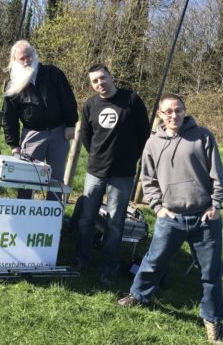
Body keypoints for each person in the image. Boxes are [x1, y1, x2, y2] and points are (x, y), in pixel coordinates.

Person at [118, 93, 223, 345]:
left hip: (204, 219)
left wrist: (216, 204)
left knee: (210, 274)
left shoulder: (202, 136)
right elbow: (148, 179)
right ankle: (138, 295)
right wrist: (157, 207)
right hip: (171, 217)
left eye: (178, 110)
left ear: (184, 111)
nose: (174, 115)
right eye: (168, 111)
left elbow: (217, 175)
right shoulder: (153, 143)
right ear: (160, 114)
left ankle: (213, 320)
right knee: (153, 261)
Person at [73, 64, 151, 283]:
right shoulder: (90, 104)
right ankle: (81, 258)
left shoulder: (131, 100)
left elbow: (144, 133)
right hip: (95, 171)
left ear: (111, 76)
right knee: (87, 218)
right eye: (95, 81)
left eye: (102, 78)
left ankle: (108, 266)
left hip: (123, 173)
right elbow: (86, 136)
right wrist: (97, 155)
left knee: (115, 223)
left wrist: (130, 157)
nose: (100, 83)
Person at [2, 40, 78, 199]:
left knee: (56, 179)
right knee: (26, 177)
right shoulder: (12, 85)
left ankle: (52, 216)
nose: (26, 61)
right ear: (15, 61)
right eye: (21, 58)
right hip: (32, 134)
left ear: (34, 54)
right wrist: (14, 145)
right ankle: (23, 213)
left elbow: (68, 100)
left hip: (59, 133)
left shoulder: (53, 73)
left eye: (28, 56)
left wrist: (71, 125)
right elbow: (9, 118)